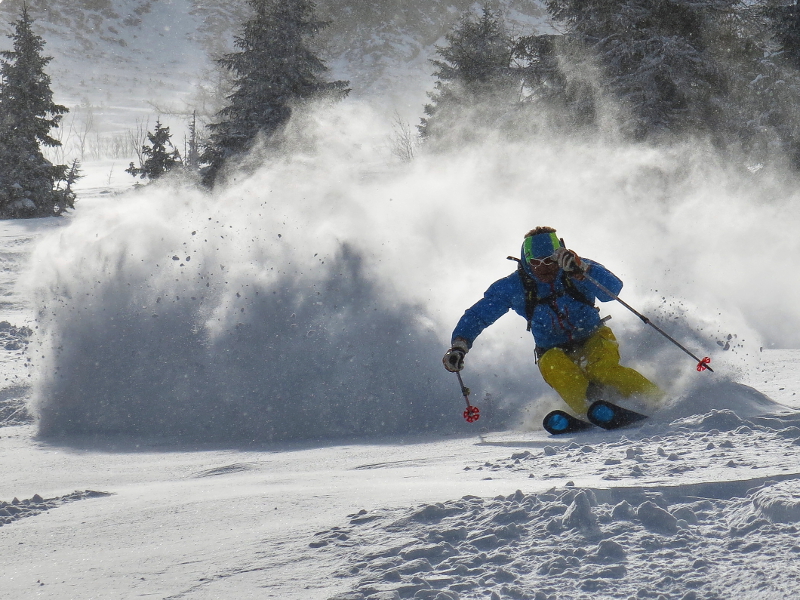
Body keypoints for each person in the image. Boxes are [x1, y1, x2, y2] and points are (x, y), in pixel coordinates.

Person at [443, 226, 661, 416]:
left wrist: (582, 271)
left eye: (549, 260)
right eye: (535, 262)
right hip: (551, 350)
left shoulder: (577, 269)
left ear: (559, 254)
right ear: (526, 260)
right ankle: (591, 410)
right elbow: (479, 315)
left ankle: (657, 400)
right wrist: (460, 345)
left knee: (602, 370)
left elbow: (612, 291)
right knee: (558, 369)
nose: (544, 267)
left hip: (593, 338)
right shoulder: (515, 286)